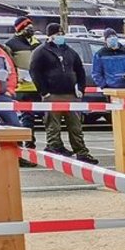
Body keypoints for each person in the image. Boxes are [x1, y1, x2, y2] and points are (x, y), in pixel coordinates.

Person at [29, 23, 97, 163]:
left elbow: (80, 70)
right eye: (57, 34)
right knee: (53, 126)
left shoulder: (70, 51)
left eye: (62, 34)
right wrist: (44, 91)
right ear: (50, 36)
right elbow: (35, 72)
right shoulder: (41, 51)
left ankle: (82, 152)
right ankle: (54, 148)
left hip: (71, 95)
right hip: (52, 95)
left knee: (76, 126)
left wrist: (81, 88)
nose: (60, 36)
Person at [5, 17, 40, 154]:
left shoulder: (37, 43)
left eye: (31, 25)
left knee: (33, 118)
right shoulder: (11, 44)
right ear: (19, 29)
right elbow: (9, 64)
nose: (30, 28)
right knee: (25, 117)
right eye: (26, 26)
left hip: (36, 86)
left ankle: (30, 144)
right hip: (21, 87)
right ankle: (24, 145)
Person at [0, 31, 19, 127]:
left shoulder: (1, 53)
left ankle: (16, 142)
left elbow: (11, 73)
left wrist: (10, 90)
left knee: (15, 124)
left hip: (2, 94)